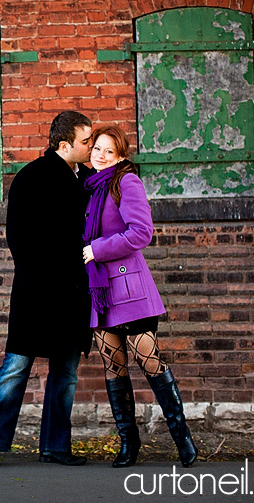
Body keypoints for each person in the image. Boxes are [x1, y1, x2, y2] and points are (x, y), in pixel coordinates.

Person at [0, 111, 94, 471]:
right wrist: (44, 278)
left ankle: (55, 446)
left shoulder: (89, 179)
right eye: (86, 141)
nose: (91, 146)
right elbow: (17, 238)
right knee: (16, 366)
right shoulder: (32, 177)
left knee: (65, 373)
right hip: (37, 291)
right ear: (64, 144)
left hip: (74, 292)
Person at [81, 125, 198, 468]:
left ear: (121, 157)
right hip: (99, 292)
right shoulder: (88, 188)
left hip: (129, 288)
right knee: (114, 367)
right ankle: (128, 444)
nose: (101, 156)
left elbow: (141, 233)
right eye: (97, 149)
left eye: (109, 152)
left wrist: (94, 250)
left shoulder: (125, 182)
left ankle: (183, 439)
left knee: (149, 362)